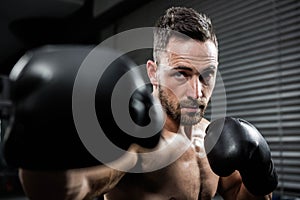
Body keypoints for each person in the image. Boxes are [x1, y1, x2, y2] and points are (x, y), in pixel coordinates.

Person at [104, 6, 278, 200]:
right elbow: (77, 187)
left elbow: (238, 195)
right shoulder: (130, 137)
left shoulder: (212, 138)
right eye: (181, 74)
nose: (196, 92)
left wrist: (260, 174)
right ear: (153, 73)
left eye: (207, 75)